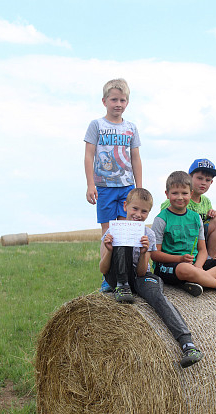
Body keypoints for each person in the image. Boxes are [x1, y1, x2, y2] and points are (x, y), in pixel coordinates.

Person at [100, 188, 204, 369]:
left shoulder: (148, 235)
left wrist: (143, 252)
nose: (138, 215)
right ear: (125, 206)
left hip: (140, 277)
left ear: (149, 213)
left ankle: (188, 345)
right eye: (135, 209)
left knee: (159, 298)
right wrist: (109, 250)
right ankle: (122, 286)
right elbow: (103, 268)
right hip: (116, 277)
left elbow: (141, 272)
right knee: (122, 238)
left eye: (144, 211)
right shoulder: (112, 231)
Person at [151, 171, 216, 296]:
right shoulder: (161, 219)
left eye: (184, 193)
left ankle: (197, 280)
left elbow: (202, 250)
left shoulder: (196, 218)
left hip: (194, 264)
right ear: (167, 194)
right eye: (175, 193)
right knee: (185, 268)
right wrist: (180, 259)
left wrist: (198, 266)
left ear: (191, 193)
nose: (180, 197)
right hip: (168, 267)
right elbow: (155, 254)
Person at [84, 78, 142, 292]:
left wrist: (139, 188)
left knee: (125, 232)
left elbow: (136, 158)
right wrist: (91, 185)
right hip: (105, 187)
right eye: (114, 99)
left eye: (123, 100)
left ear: (127, 102)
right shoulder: (97, 125)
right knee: (108, 233)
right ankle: (107, 278)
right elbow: (89, 155)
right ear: (104, 101)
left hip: (127, 187)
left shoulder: (131, 128)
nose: (118, 104)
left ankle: (124, 277)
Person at [160, 158, 216, 258]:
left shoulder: (206, 201)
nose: (204, 182)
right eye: (199, 178)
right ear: (189, 177)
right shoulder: (175, 201)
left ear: (211, 182)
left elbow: (207, 224)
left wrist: (212, 214)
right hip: (177, 242)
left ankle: (208, 259)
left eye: (208, 180)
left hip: (198, 239)